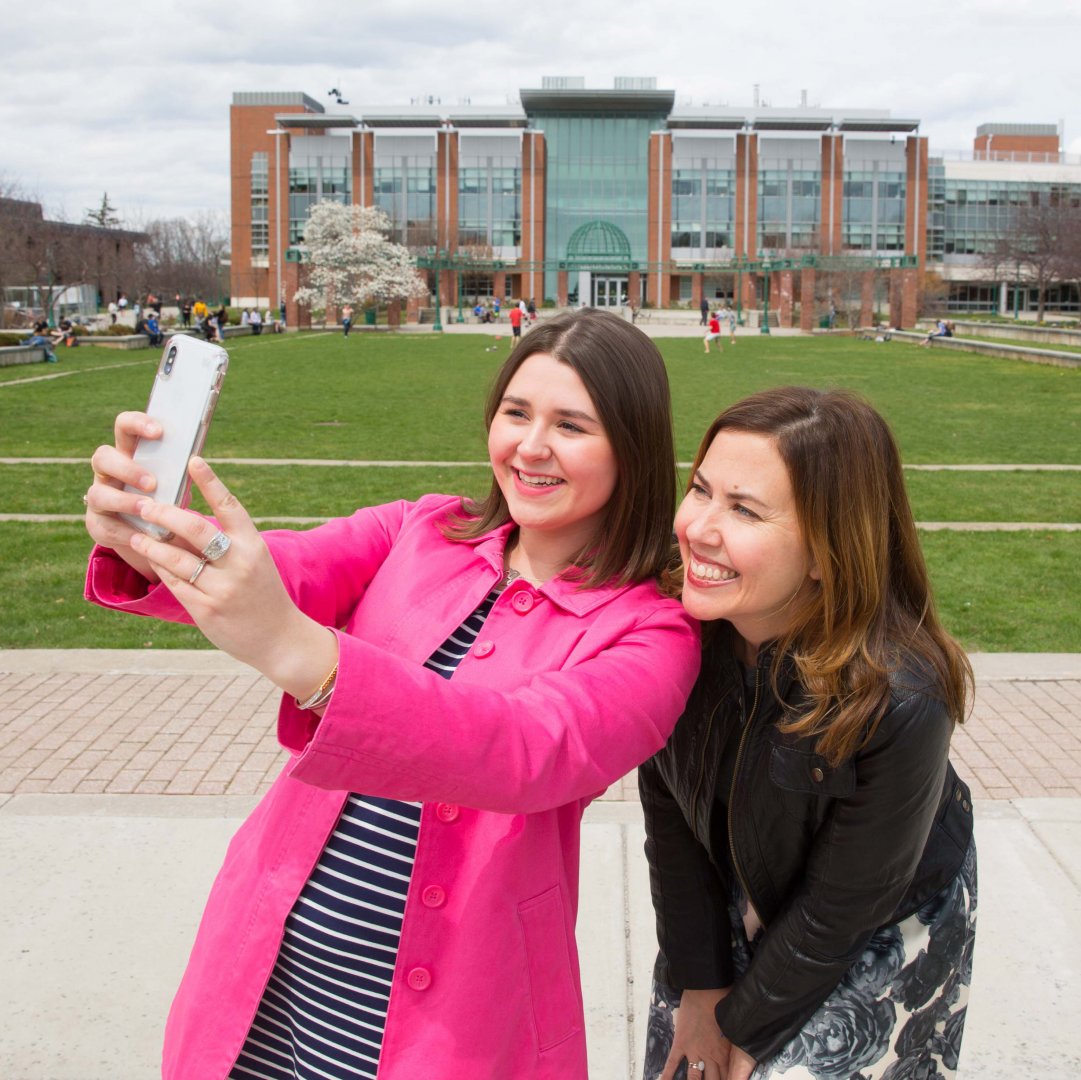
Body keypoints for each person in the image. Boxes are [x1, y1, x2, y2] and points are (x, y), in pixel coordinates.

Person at [82, 308, 701, 1079]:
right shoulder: (420, 530)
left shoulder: (651, 634)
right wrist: (146, 535)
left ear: (632, 449)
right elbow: (284, 572)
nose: (531, 447)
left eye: (571, 426)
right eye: (515, 412)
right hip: (277, 970)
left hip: (452, 1018)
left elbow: (521, 750)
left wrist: (302, 655)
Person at [640, 386, 976, 1080]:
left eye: (743, 510)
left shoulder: (902, 697)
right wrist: (700, 989)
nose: (698, 528)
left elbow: (843, 905)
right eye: (700, 490)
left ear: (827, 550)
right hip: (738, 880)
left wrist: (746, 1032)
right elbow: (670, 819)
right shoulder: (669, 637)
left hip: (871, 917)